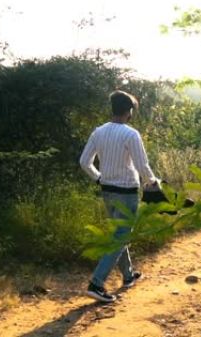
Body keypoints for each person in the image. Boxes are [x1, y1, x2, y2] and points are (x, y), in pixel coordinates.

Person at [79, 90, 161, 302]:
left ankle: (127, 276)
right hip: (127, 192)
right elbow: (142, 165)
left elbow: (84, 161)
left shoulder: (98, 132)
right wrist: (153, 183)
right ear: (129, 111)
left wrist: (98, 178)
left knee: (118, 233)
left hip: (107, 190)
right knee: (120, 237)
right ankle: (96, 284)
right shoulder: (131, 134)